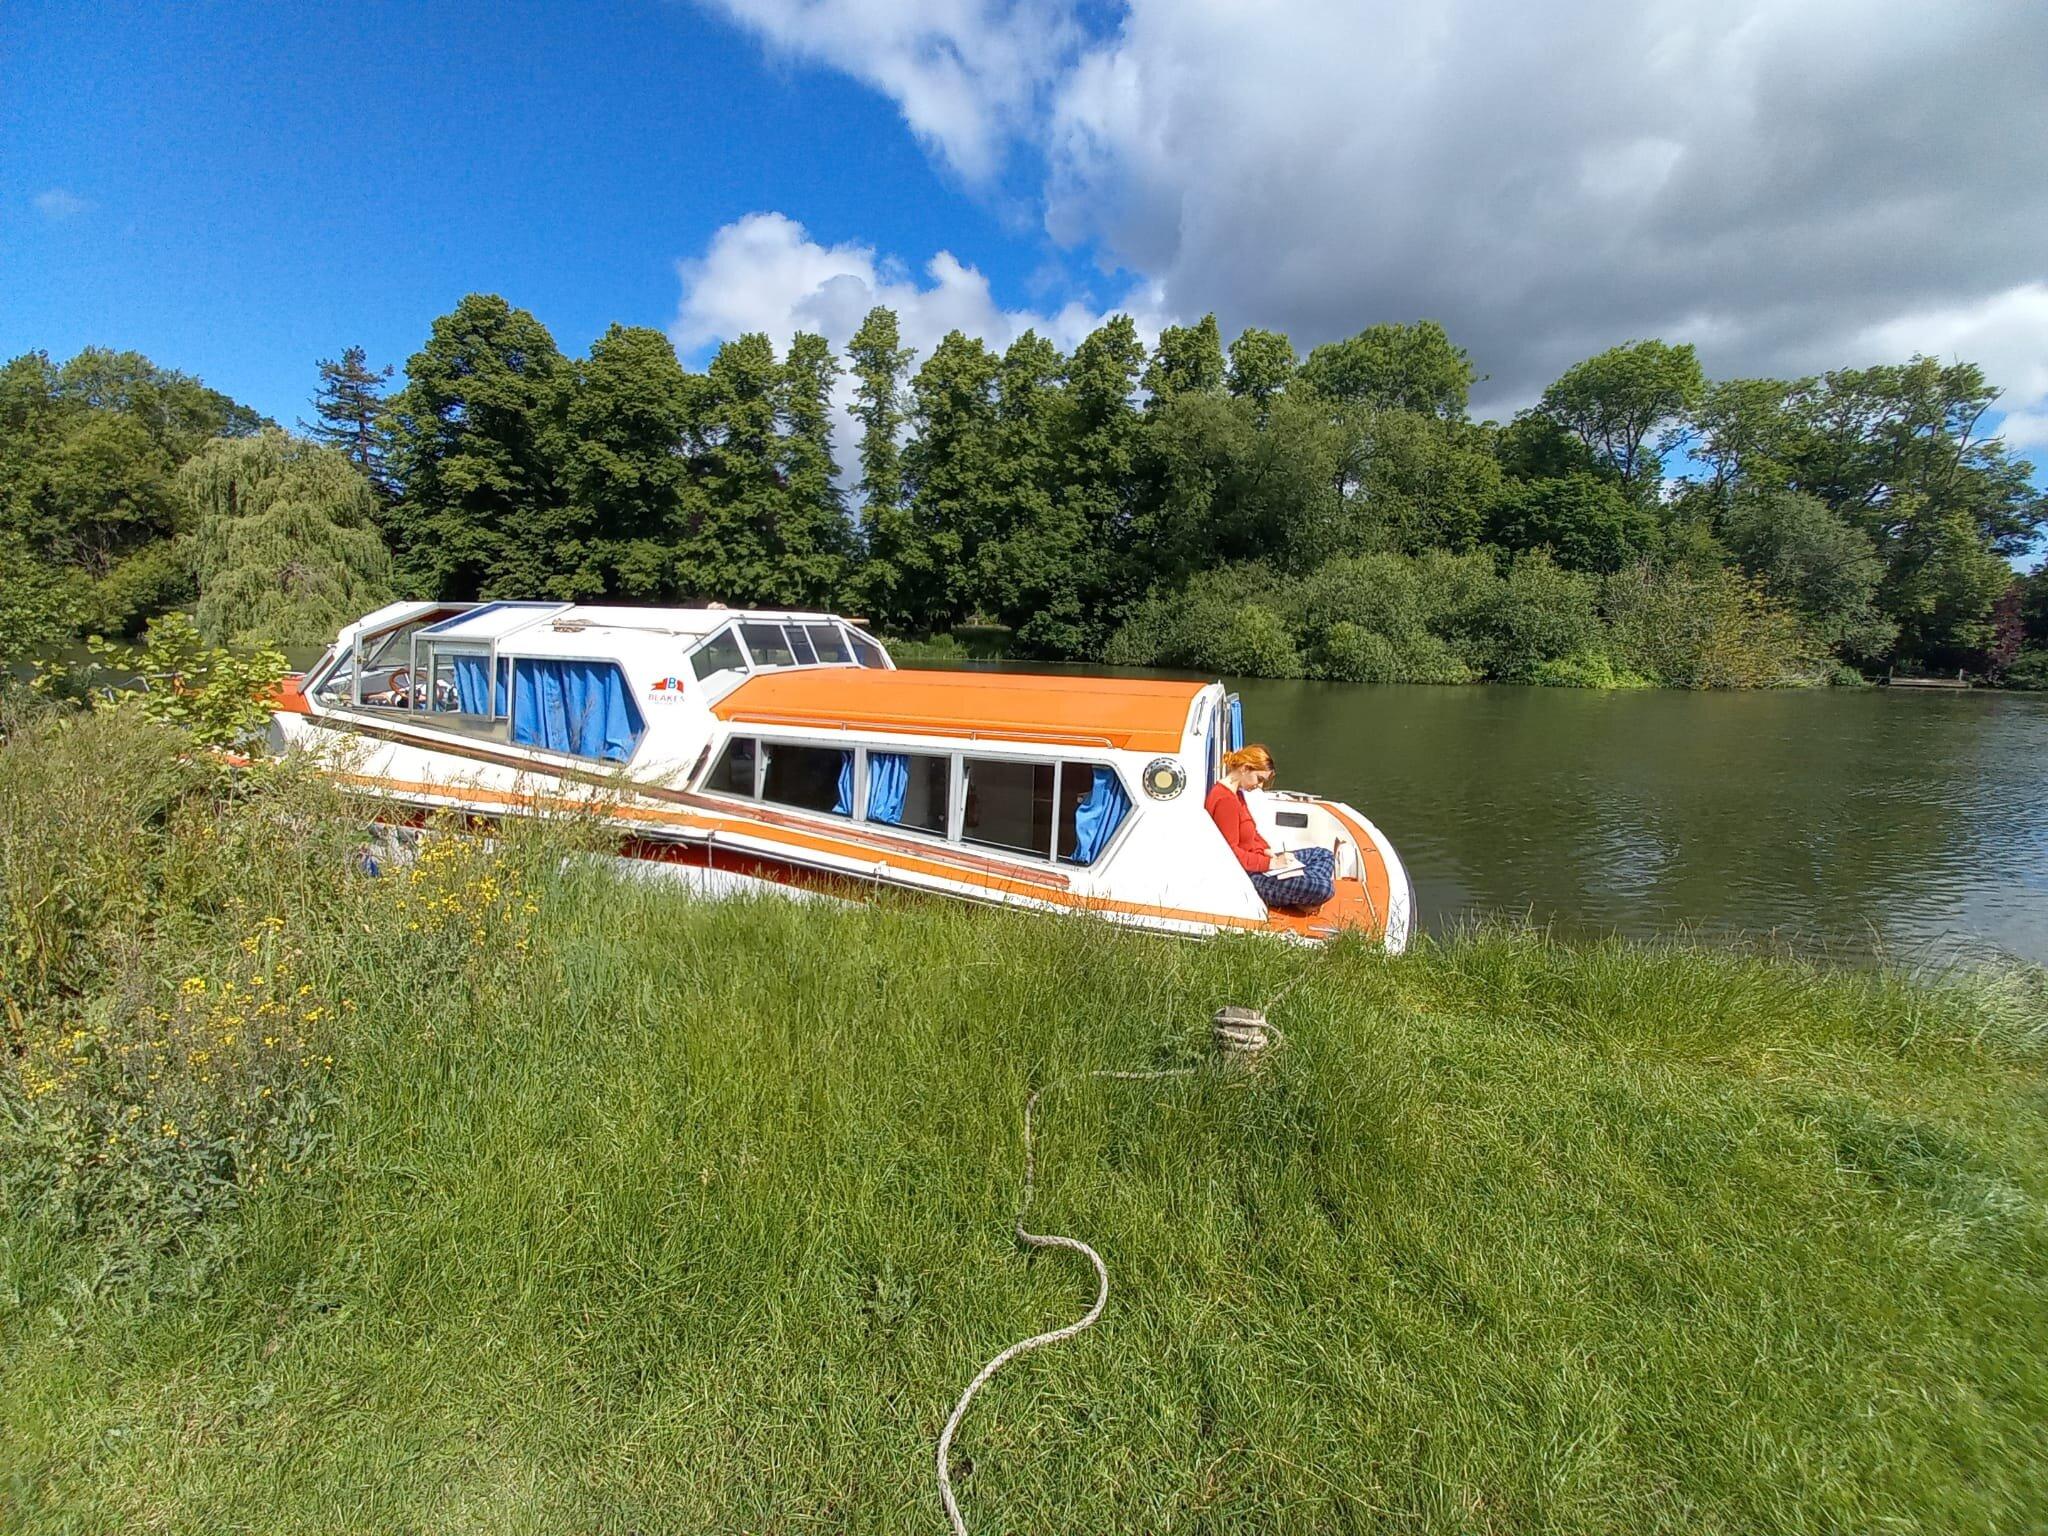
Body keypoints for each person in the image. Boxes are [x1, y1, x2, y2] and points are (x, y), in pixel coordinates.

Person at [1204, 744, 1336, 910]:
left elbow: (1253, 833)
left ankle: (1303, 895)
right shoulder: (1225, 801)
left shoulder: (1236, 794)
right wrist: (1271, 863)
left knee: (1323, 855)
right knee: (1326, 888)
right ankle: (1305, 895)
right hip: (1251, 875)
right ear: (1245, 768)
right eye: (1259, 779)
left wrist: (1267, 850)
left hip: (1261, 862)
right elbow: (1231, 854)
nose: (1259, 786)